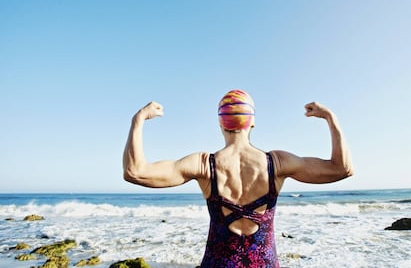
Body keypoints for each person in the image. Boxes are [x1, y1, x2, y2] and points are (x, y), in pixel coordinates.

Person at [123, 89, 353, 268]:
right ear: (252, 122)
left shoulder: (204, 165)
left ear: (220, 122)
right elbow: (342, 169)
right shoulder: (277, 163)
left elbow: (135, 172)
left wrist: (138, 119)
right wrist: (330, 119)